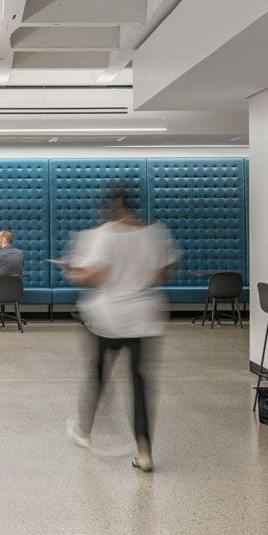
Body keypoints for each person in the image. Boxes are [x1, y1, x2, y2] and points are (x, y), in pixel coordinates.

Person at [63, 186, 179, 473]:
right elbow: (163, 272)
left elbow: (93, 276)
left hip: (110, 318)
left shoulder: (104, 235)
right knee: (140, 384)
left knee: (99, 372)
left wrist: (71, 271)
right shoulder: (154, 232)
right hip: (144, 316)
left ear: (111, 205)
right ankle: (144, 451)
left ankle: (85, 429)